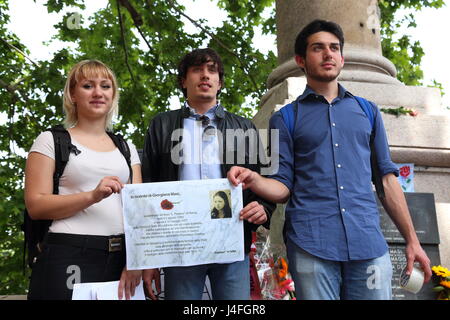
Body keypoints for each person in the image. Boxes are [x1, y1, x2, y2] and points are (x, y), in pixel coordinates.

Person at [227, 19, 432, 300]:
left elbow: (386, 180)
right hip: (311, 244)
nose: (328, 54)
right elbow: (282, 187)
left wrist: (412, 240)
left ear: (342, 58)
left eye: (334, 48)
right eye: (318, 48)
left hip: (368, 244)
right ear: (301, 59)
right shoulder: (284, 118)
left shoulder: (367, 111)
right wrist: (254, 179)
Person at [141, 48, 275, 300]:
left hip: (232, 240)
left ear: (220, 82)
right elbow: (149, 184)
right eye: (197, 70)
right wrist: (149, 255)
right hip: (180, 243)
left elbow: (263, 177)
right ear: (183, 80)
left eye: (212, 70)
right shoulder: (161, 124)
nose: (205, 75)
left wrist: (265, 207)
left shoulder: (244, 127)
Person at [25, 60, 160, 300]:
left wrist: (137, 259)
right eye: (88, 85)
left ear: (113, 95)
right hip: (68, 252)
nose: (98, 92)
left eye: (105, 86)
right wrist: (92, 196)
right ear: (73, 94)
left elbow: (138, 210)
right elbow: (36, 205)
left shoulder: (126, 148)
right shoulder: (50, 140)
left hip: (121, 258)